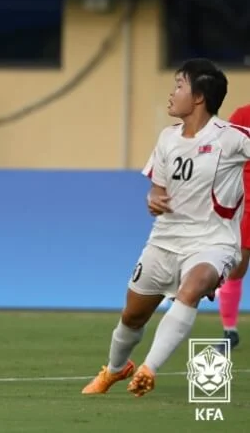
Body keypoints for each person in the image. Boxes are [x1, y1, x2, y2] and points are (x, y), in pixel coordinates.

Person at [81, 58, 248, 397]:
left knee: (193, 287)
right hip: (164, 241)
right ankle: (116, 369)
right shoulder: (167, 138)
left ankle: (148, 369)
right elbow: (157, 188)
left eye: (179, 86)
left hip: (213, 242)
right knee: (132, 316)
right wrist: (153, 199)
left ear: (199, 97)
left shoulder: (230, 138)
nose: (172, 94)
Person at [216, 103, 250, 350]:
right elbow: (222, 155)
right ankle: (230, 330)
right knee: (237, 265)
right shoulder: (243, 115)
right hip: (246, 201)